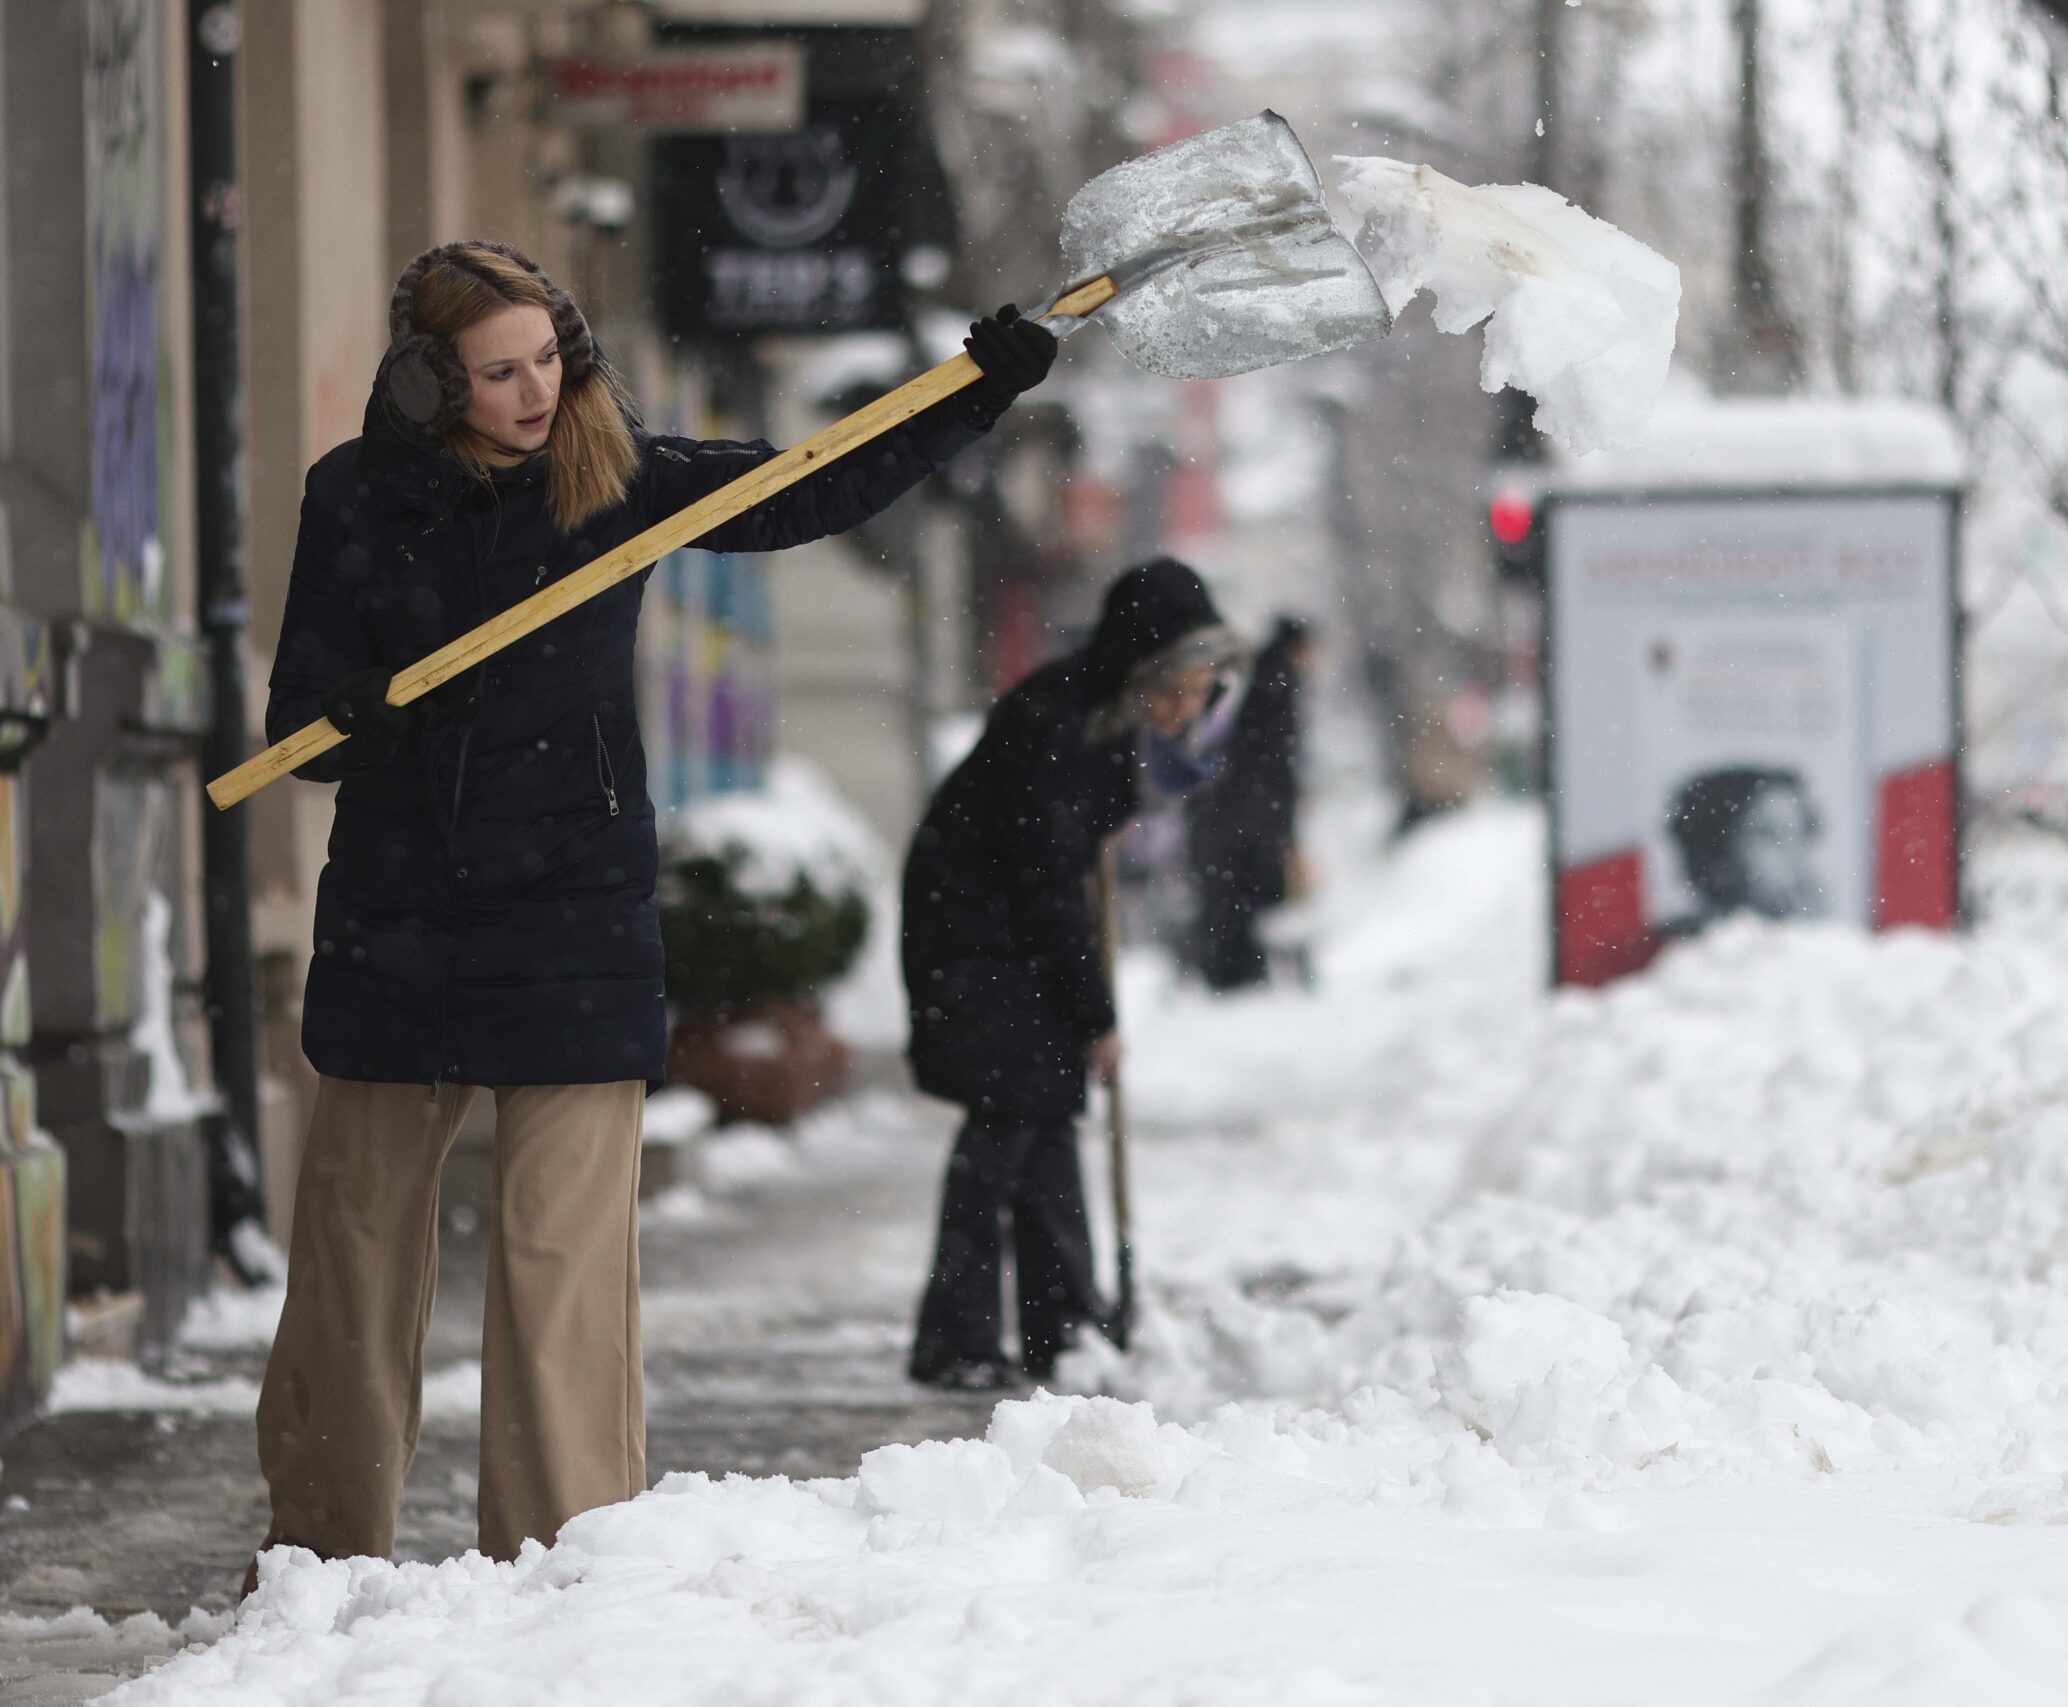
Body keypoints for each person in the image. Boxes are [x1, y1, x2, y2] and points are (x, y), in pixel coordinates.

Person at [249, 240, 1056, 1580]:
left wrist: (969, 394)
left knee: (563, 1265)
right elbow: (301, 725)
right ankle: (319, 1558)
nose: (532, 391)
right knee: (351, 1253)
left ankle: (567, 1562)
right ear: (423, 381)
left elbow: (813, 487)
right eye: (497, 371)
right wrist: (356, 716)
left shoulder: (613, 478)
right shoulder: (356, 497)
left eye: (547, 361)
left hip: (572, 910)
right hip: (401, 910)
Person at [901, 559, 1242, 1390]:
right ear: (1140, 672)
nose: (1188, 709)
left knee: (1045, 1119)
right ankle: (958, 1340)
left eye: (1202, 691)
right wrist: (1097, 1015)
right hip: (975, 933)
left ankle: (1066, 1327)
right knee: (1007, 1125)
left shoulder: (1102, 718)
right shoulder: (1057, 724)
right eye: (1178, 689)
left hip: (1010, 932)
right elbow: (1049, 881)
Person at [1187, 616, 1312, 991]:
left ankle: (1234, 970)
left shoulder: (1261, 679)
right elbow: (1276, 757)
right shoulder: (1278, 684)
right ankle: (1243, 972)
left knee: (1233, 897)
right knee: (1253, 895)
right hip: (1254, 814)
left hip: (1235, 814)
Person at [1662, 765, 1826, 934]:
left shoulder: (1834, 946)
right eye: (1769, 835)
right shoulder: (1679, 955)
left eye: (1802, 833)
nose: (1793, 852)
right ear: (1717, 857)